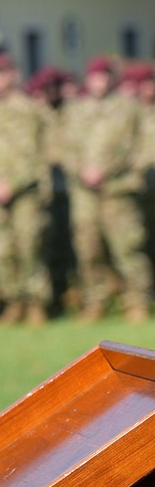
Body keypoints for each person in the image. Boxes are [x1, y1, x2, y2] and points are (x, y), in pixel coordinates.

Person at [61, 55, 152, 322]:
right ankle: (95, 302)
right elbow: (63, 146)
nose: (99, 81)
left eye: (104, 76)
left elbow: (147, 144)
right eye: (94, 76)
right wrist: (82, 170)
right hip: (85, 192)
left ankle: (136, 300)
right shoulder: (75, 110)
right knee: (88, 248)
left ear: (112, 79)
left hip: (119, 190)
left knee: (127, 247)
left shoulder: (129, 108)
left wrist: (125, 171)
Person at [0, 53, 53, 326]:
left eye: (3, 73)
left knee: (29, 246)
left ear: (14, 75)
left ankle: (36, 303)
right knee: (0, 251)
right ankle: (13, 301)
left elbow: (38, 153)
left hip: (25, 191)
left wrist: (13, 184)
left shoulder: (30, 109)